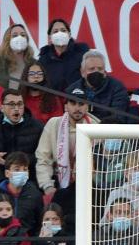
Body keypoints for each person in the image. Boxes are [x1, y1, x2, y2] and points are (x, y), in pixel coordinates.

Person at [35, 86, 99, 215]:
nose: (77, 108)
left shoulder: (96, 127)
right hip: (58, 184)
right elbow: (43, 158)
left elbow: (99, 163)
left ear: (87, 107)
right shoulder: (54, 124)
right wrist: (47, 186)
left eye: (81, 104)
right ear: (65, 106)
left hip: (87, 185)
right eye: (73, 103)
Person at [0, 89, 43, 191]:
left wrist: (22, 161)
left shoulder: (37, 126)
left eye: (20, 104)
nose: (16, 109)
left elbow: (43, 157)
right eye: (11, 104)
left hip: (27, 177)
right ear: (2, 108)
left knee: (35, 194)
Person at [0, 151, 42, 233]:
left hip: (25, 238)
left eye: (25, 169)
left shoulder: (34, 194)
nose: (22, 173)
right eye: (17, 169)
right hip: (1, 238)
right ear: (7, 173)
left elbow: (40, 223)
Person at [68, 50, 129, 123]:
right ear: (82, 72)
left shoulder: (117, 88)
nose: (96, 72)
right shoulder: (72, 90)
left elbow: (118, 117)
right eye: (91, 69)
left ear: (105, 72)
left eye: (100, 69)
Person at [38, 18, 90, 93]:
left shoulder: (82, 53)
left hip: (78, 98)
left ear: (69, 34)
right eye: (55, 31)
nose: (60, 33)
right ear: (50, 38)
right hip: (53, 99)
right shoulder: (44, 59)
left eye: (63, 30)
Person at [0, 25, 36, 89]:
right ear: (8, 40)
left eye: (23, 35)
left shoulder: (34, 63)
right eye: (15, 35)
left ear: (27, 40)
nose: (19, 38)